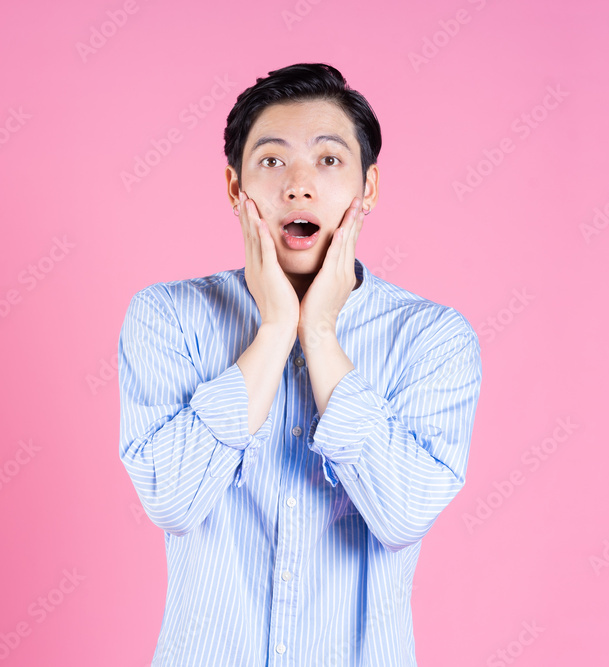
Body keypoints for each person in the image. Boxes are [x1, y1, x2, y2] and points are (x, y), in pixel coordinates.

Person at [118, 62, 482, 666]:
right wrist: (274, 329)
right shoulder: (168, 316)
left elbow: (403, 514)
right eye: (272, 160)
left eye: (330, 160)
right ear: (235, 188)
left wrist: (318, 333)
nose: (299, 185)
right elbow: (173, 500)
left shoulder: (433, 338)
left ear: (368, 188)